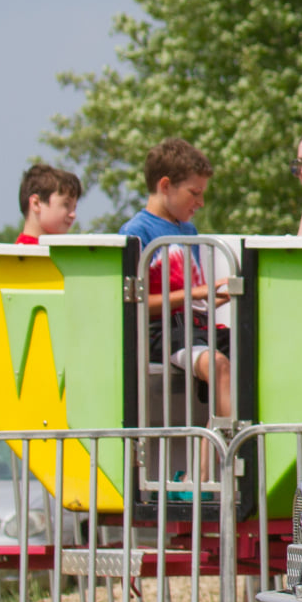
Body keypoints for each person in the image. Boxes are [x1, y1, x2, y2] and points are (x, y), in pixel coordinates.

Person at [118, 139, 232, 420]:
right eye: (195, 193)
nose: (200, 203)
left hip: (196, 328)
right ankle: (228, 446)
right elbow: (135, 304)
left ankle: (216, 449)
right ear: (165, 185)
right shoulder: (136, 232)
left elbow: (192, 299)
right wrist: (196, 293)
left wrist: (218, 296)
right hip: (163, 334)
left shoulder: (189, 231)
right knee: (217, 364)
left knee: (252, 351)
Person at [15, 164, 81, 245]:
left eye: (74, 208)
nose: (73, 215)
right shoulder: (24, 251)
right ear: (36, 203)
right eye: (66, 204)